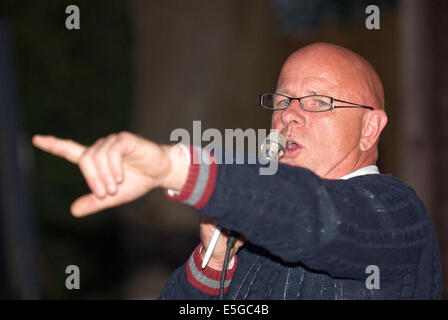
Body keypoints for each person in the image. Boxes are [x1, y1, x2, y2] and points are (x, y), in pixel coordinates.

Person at [32, 42, 442, 299]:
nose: (290, 116)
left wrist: (174, 167)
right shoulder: (251, 239)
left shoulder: (396, 214)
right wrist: (213, 266)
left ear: (370, 128)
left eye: (319, 102)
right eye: (283, 101)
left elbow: (316, 216)